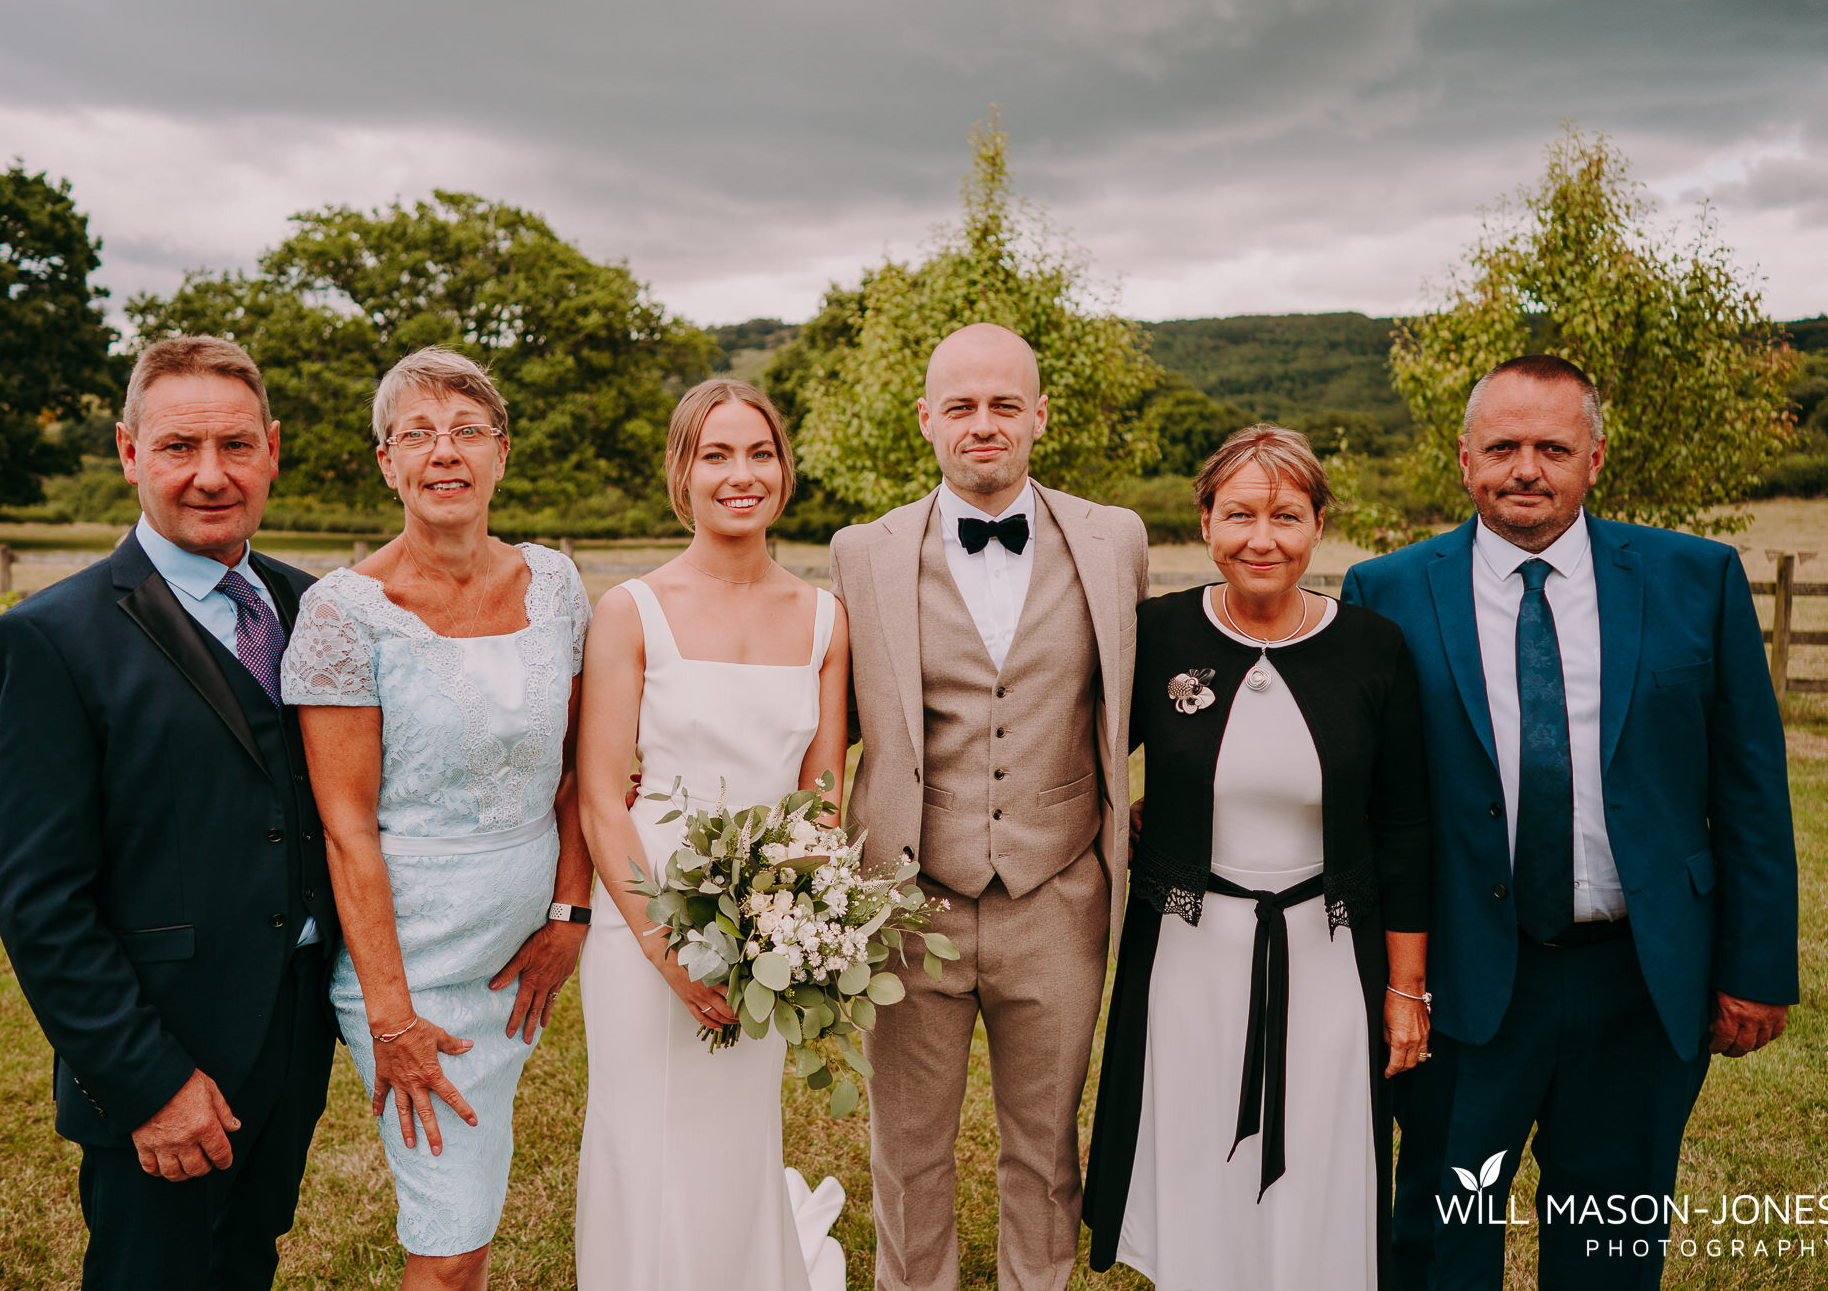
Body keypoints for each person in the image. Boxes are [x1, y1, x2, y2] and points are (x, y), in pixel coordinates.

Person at [1342, 355, 1799, 1290]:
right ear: (1464, 457)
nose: (1525, 468)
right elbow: (1353, 784)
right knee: (1443, 1234)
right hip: (1464, 983)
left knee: (1608, 1244)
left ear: (1595, 458)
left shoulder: (1695, 579)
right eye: (1503, 446)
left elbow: (1751, 786)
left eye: (1552, 447)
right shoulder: (1385, 591)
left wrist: (1755, 966)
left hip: (1639, 976)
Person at [0, 336, 337, 1290]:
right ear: (129, 451)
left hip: (294, 1032)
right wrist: (149, 1083)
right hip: (166, 1053)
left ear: (272, 448)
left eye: (234, 445)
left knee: (245, 1262)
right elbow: (41, 901)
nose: (211, 475)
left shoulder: (315, 610)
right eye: (180, 447)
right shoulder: (52, 638)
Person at [830, 322, 1148, 1291]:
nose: (983, 424)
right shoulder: (860, 553)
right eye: (960, 406)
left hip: (1057, 896)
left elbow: (1133, 705)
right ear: (925, 419)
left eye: (1003, 404)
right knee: (907, 1148)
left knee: (1045, 1148)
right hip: (906, 900)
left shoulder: (1113, 539)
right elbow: (820, 716)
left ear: (1037, 417)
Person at [1081, 425, 1432, 1289]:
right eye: (1238, 513)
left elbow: (1404, 828)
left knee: (1321, 1155)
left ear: (1318, 525)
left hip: (1325, 954)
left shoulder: (1373, 647)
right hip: (1190, 958)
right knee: (1202, 1156)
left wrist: (1404, 989)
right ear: (1205, 522)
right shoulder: (1156, 633)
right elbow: (1081, 755)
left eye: (1285, 514)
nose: (1261, 537)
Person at [281, 346, 594, 1288]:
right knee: (450, 1245)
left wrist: (569, 915)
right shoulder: (346, 613)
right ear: (387, 463)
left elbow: (583, 767)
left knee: (474, 1214)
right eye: (416, 433)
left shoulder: (556, 586)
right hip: (414, 972)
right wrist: (392, 1018)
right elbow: (347, 828)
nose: (443, 452)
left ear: (502, 451)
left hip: (528, 954)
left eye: (465, 430)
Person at [573, 378, 850, 1291]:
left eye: (760, 453)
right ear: (681, 472)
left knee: (738, 1135)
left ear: (784, 469)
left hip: (765, 930)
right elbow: (601, 799)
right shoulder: (630, 611)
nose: (742, 474)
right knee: (641, 1132)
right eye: (716, 454)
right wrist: (669, 955)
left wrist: (796, 934)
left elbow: (822, 796)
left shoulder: (823, 618)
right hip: (642, 913)